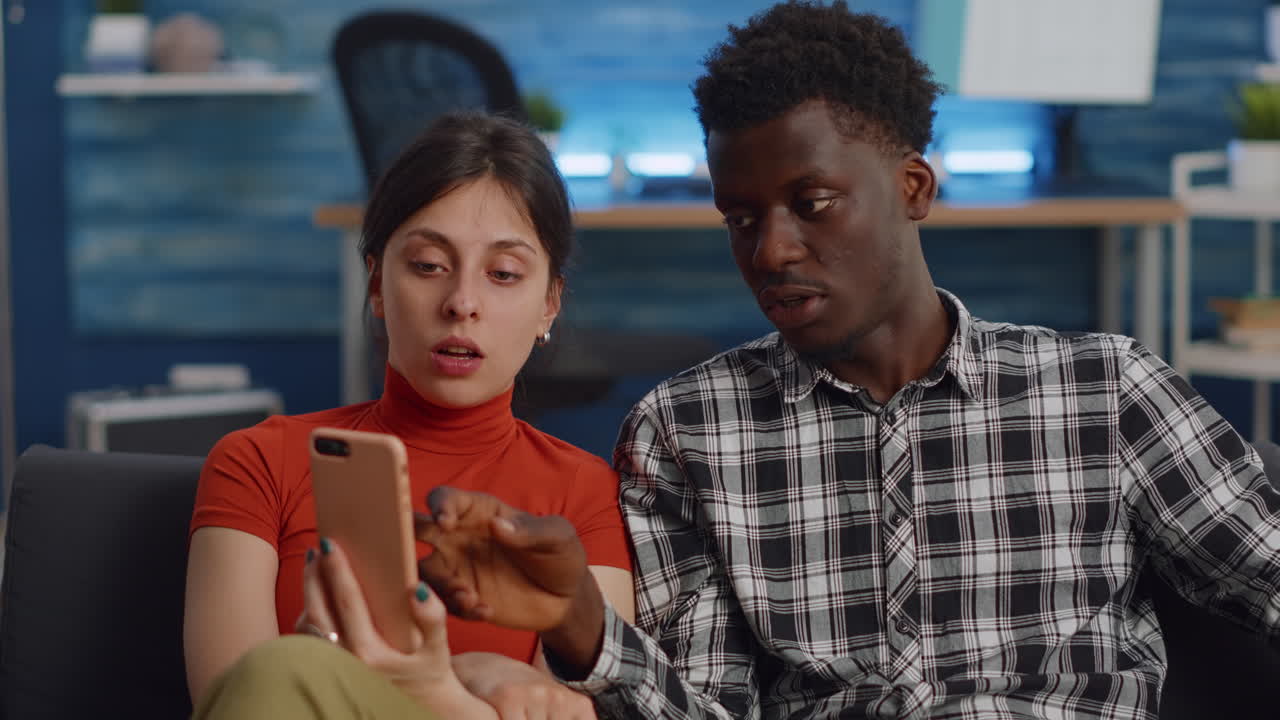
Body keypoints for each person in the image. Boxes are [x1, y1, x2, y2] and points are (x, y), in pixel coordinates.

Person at [410, 2, 1280, 719]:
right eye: (740, 218)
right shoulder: (687, 434)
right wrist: (579, 626)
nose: (772, 251)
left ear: (913, 189)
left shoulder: (1107, 392)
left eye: (811, 203)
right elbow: (707, 709)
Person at [183, 111, 635, 720]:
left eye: (503, 274)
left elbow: (573, 714)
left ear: (548, 305)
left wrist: (438, 692)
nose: (462, 303)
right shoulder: (258, 460)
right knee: (278, 669)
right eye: (428, 265)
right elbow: (235, 697)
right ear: (375, 284)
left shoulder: (588, 496)